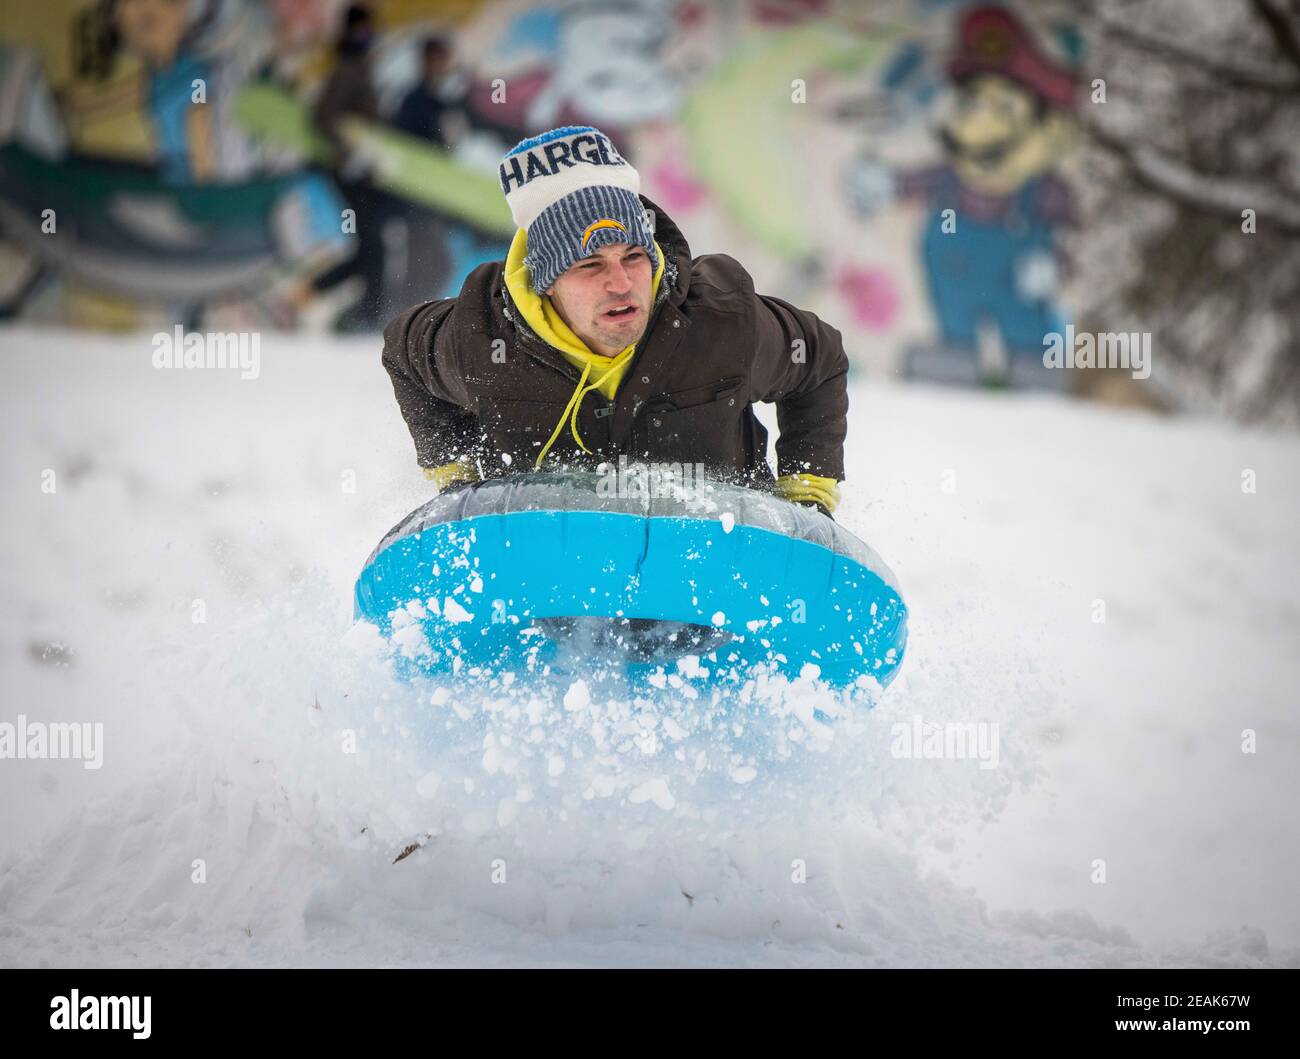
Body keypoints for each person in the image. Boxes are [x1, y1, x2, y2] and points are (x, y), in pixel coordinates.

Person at [381, 125, 847, 516]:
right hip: (551, 582)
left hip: (715, 578)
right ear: (546, 282)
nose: (622, 283)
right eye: (590, 266)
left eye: (634, 256)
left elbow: (819, 359)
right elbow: (403, 352)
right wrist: (459, 480)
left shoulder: (720, 319)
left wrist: (806, 499)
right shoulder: (482, 338)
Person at [309, 2, 388, 329]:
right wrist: (349, 153)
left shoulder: (360, 66)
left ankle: (359, 313)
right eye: (361, 30)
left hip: (359, 172)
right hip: (346, 172)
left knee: (372, 247)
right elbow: (323, 117)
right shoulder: (348, 69)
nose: (367, 36)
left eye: (369, 30)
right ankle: (363, 316)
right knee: (371, 245)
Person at [393, 36, 463, 147]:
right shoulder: (412, 100)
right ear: (425, 62)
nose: (440, 67)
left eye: (444, 60)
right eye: (435, 60)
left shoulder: (454, 100)